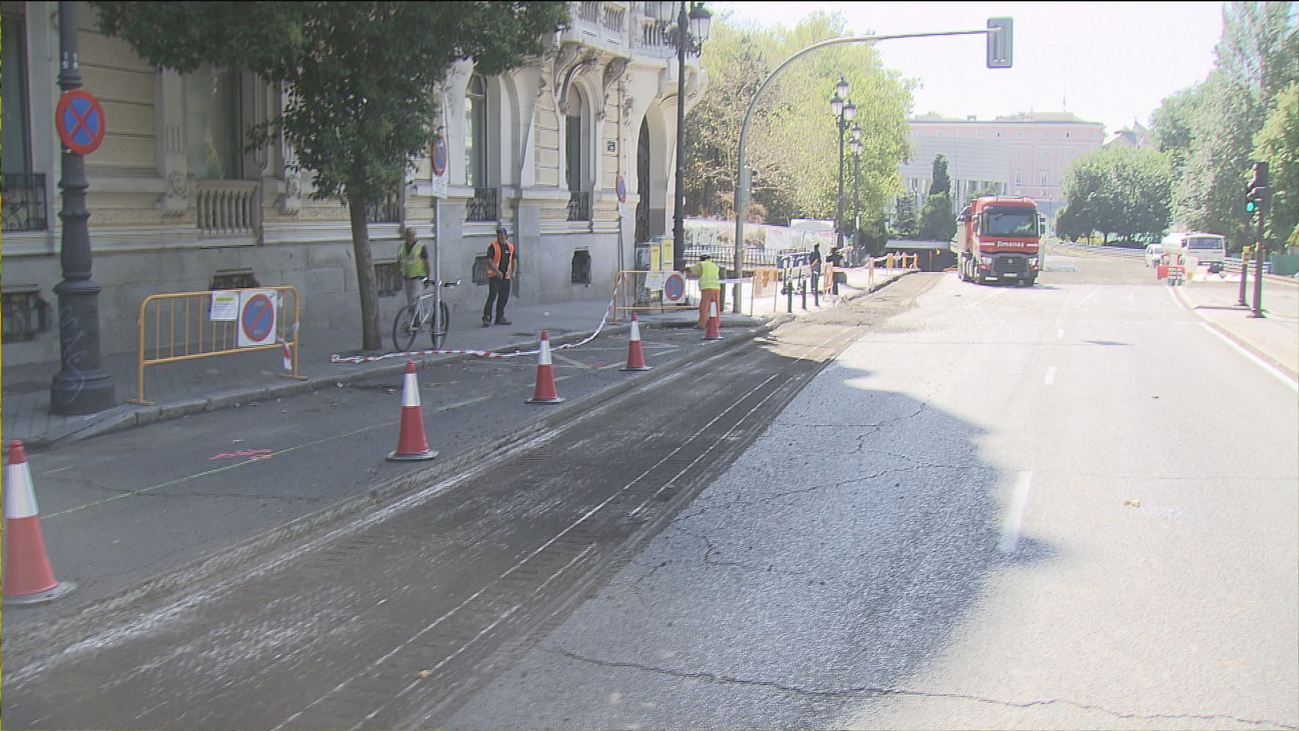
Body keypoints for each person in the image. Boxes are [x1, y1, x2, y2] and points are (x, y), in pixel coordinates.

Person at [482, 226, 516, 327]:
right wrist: (496, 271)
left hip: (506, 277)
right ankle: (487, 317)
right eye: (498, 234)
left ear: (506, 236)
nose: (500, 236)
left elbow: (514, 260)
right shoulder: (493, 246)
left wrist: (513, 272)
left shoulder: (510, 247)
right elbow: (489, 260)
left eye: (502, 234)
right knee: (492, 296)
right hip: (495, 277)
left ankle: (500, 317)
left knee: (503, 298)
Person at [397, 227, 431, 308]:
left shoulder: (421, 247)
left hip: (418, 278)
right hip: (407, 277)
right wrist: (397, 274)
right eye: (408, 235)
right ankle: (415, 318)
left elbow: (427, 263)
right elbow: (399, 261)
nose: (409, 237)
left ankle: (415, 320)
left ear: (415, 235)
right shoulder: (402, 246)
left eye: (411, 235)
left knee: (414, 301)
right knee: (410, 301)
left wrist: (428, 278)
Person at [694, 253, 721, 329]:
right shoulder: (714, 266)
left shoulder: (701, 265)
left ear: (701, 258)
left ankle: (702, 324)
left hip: (707, 288)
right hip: (716, 288)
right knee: (716, 307)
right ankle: (716, 324)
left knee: (704, 307)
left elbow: (693, 271)